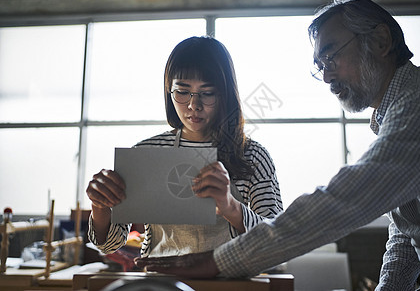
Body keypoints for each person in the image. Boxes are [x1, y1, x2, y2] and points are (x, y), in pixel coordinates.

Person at [134, 0, 420, 290]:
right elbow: (407, 233)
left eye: (331, 56)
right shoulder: (393, 115)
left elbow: (347, 199)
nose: (326, 77)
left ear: (381, 41)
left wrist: (218, 259)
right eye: (319, 65)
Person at [86, 36, 283, 258]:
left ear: (225, 93)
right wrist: (100, 207)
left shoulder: (252, 155)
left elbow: (277, 238)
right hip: (162, 282)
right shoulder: (145, 154)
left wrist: (231, 207)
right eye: (182, 91)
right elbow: (110, 244)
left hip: (229, 280)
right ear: (169, 92)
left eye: (207, 93)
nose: (193, 105)